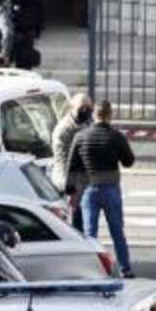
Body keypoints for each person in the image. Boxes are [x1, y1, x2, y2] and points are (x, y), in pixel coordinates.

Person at [67, 101, 136, 277]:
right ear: (109, 114)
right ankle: (125, 268)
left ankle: (93, 270)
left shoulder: (81, 137)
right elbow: (129, 161)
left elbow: (72, 166)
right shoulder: (115, 136)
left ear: (94, 115)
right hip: (111, 189)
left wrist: (70, 191)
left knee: (90, 233)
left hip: (89, 190)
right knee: (117, 231)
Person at [51, 94, 94, 232]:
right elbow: (61, 162)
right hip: (69, 181)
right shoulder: (63, 130)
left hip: (84, 180)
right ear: (72, 108)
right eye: (82, 107)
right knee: (75, 222)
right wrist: (70, 190)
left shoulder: (88, 123)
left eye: (89, 108)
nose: (86, 111)